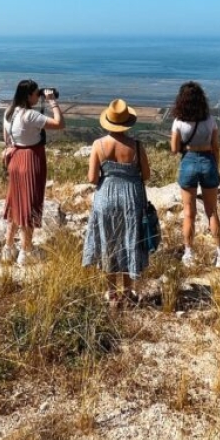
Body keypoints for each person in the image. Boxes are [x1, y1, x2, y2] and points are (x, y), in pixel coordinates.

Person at [83, 99, 152, 307]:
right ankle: (128, 290)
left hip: (106, 197)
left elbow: (92, 178)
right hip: (132, 197)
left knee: (108, 241)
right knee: (130, 239)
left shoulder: (98, 145)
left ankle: (111, 293)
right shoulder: (137, 146)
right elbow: (146, 175)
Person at [2, 79, 64, 266]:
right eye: (37, 93)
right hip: (31, 160)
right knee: (29, 204)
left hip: (15, 159)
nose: (39, 96)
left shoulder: (9, 112)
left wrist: (11, 149)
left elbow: (7, 139)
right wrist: (52, 101)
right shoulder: (30, 116)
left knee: (15, 203)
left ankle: (8, 247)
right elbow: (60, 124)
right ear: (28, 96)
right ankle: (26, 251)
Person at [169, 81, 220, 268]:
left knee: (189, 213)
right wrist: (215, 166)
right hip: (208, 161)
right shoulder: (210, 120)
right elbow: (216, 146)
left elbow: (173, 149)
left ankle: (188, 254)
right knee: (212, 211)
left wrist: (185, 146)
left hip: (188, 161)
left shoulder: (178, 122)